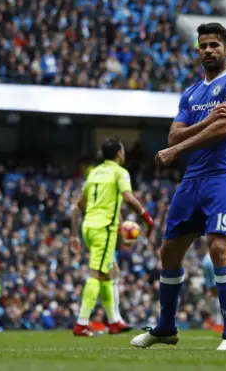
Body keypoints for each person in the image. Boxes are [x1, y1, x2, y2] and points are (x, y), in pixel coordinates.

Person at [130, 22, 226, 351]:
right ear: (198, 51)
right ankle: (166, 327)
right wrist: (206, 119)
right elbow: (174, 133)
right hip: (193, 179)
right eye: (203, 45)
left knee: (218, 248)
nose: (208, 50)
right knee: (169, 252)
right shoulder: (191, 93)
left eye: (215, 45)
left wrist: (178, 148)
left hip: (225, 175)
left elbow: (224, 129)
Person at [70, 138, 154, 337]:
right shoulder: (120, 172)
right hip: (103, 228)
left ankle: (114, 321)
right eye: (123, 151)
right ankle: (82, 323)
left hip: (89, 227)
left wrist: (74, 235)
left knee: (110, 273)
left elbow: (79, 206)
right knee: (97, 274)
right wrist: (146, 217)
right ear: (118, 153)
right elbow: (127, 197)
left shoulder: (94, 173)